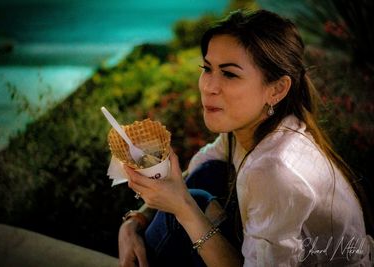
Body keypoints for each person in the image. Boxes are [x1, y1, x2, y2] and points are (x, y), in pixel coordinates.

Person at [118, 9, 373, 267]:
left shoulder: (275, 169)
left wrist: (183, 209)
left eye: (229, 74)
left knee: (186, 207)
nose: (208, 86)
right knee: (206, 176)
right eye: (207, 68)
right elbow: (192, 176)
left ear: (276, 89)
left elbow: (183, 199)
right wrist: (135, 222)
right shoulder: (254, 130)